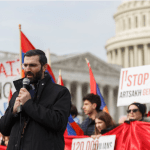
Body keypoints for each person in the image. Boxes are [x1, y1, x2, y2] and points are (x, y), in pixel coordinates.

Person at [0, 49, 71, 150]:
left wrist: (28, 104)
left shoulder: (60, 92)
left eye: (32, 65)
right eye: (25, 65)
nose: (28, 69)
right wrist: (13, 111)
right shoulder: (18, 93)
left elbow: (58, 122)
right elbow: (4, 129)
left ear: (44, 67)